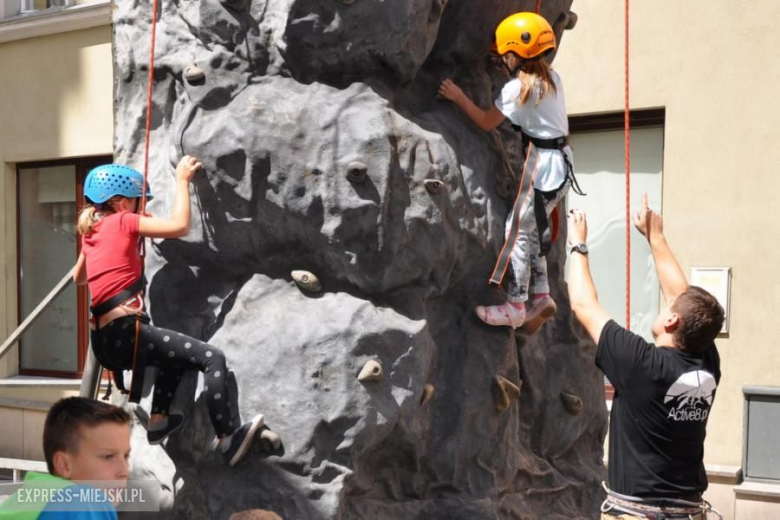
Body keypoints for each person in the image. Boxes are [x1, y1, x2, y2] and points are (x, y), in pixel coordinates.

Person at [73, 157, 265, 467]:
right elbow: (179, 226)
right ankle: (229, 438)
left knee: (172, 354)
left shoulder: (93, 232)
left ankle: (159, 420)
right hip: (127, 332)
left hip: (106, 343)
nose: (140, 207)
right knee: (211, 358)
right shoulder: (123, 221)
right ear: (122, 203)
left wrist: (113, 245)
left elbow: (78, 278)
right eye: (137, 202)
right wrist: (182, 180)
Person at [567, 195, 725, 520]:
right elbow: (682, 299)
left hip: (636, 514)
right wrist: (655, 237)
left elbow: (583, 305)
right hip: (689, 512)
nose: (664, 304)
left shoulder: (642, 365)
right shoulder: (707, 363)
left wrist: (578, 245)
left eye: (666, 308)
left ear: (671, 321)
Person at [438, 12, 580, 333]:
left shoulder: (515, 91)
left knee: (515, 232)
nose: (500, 59)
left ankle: (516, 305)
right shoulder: (553, 80)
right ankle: (541, 296)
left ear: (515, 53)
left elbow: (486, 122)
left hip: (541, 166)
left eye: (504, 53)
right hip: (562, 164)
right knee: (531, 231)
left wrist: (458, 97)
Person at [0, 397, 131, 518]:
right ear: (64, 465)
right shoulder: (85, 502)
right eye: (107, 457)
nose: (124, 471)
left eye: (126, 456)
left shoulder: (28, 499)